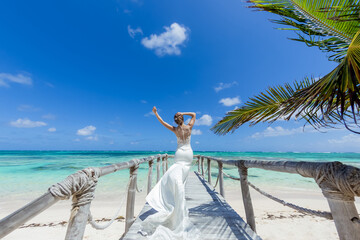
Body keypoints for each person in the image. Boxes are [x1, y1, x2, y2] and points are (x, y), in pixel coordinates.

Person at [138, 106, 200, 239]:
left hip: (179, 154)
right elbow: (194, 114)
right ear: (183, 119)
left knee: (174, 175)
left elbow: (162, 122)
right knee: (181, 179)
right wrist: (183, 112)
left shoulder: (175, 129)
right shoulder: (189, 127)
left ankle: (175, 200)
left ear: (176, 121)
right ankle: (179, 201)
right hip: (188, 154)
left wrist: (156, 113)